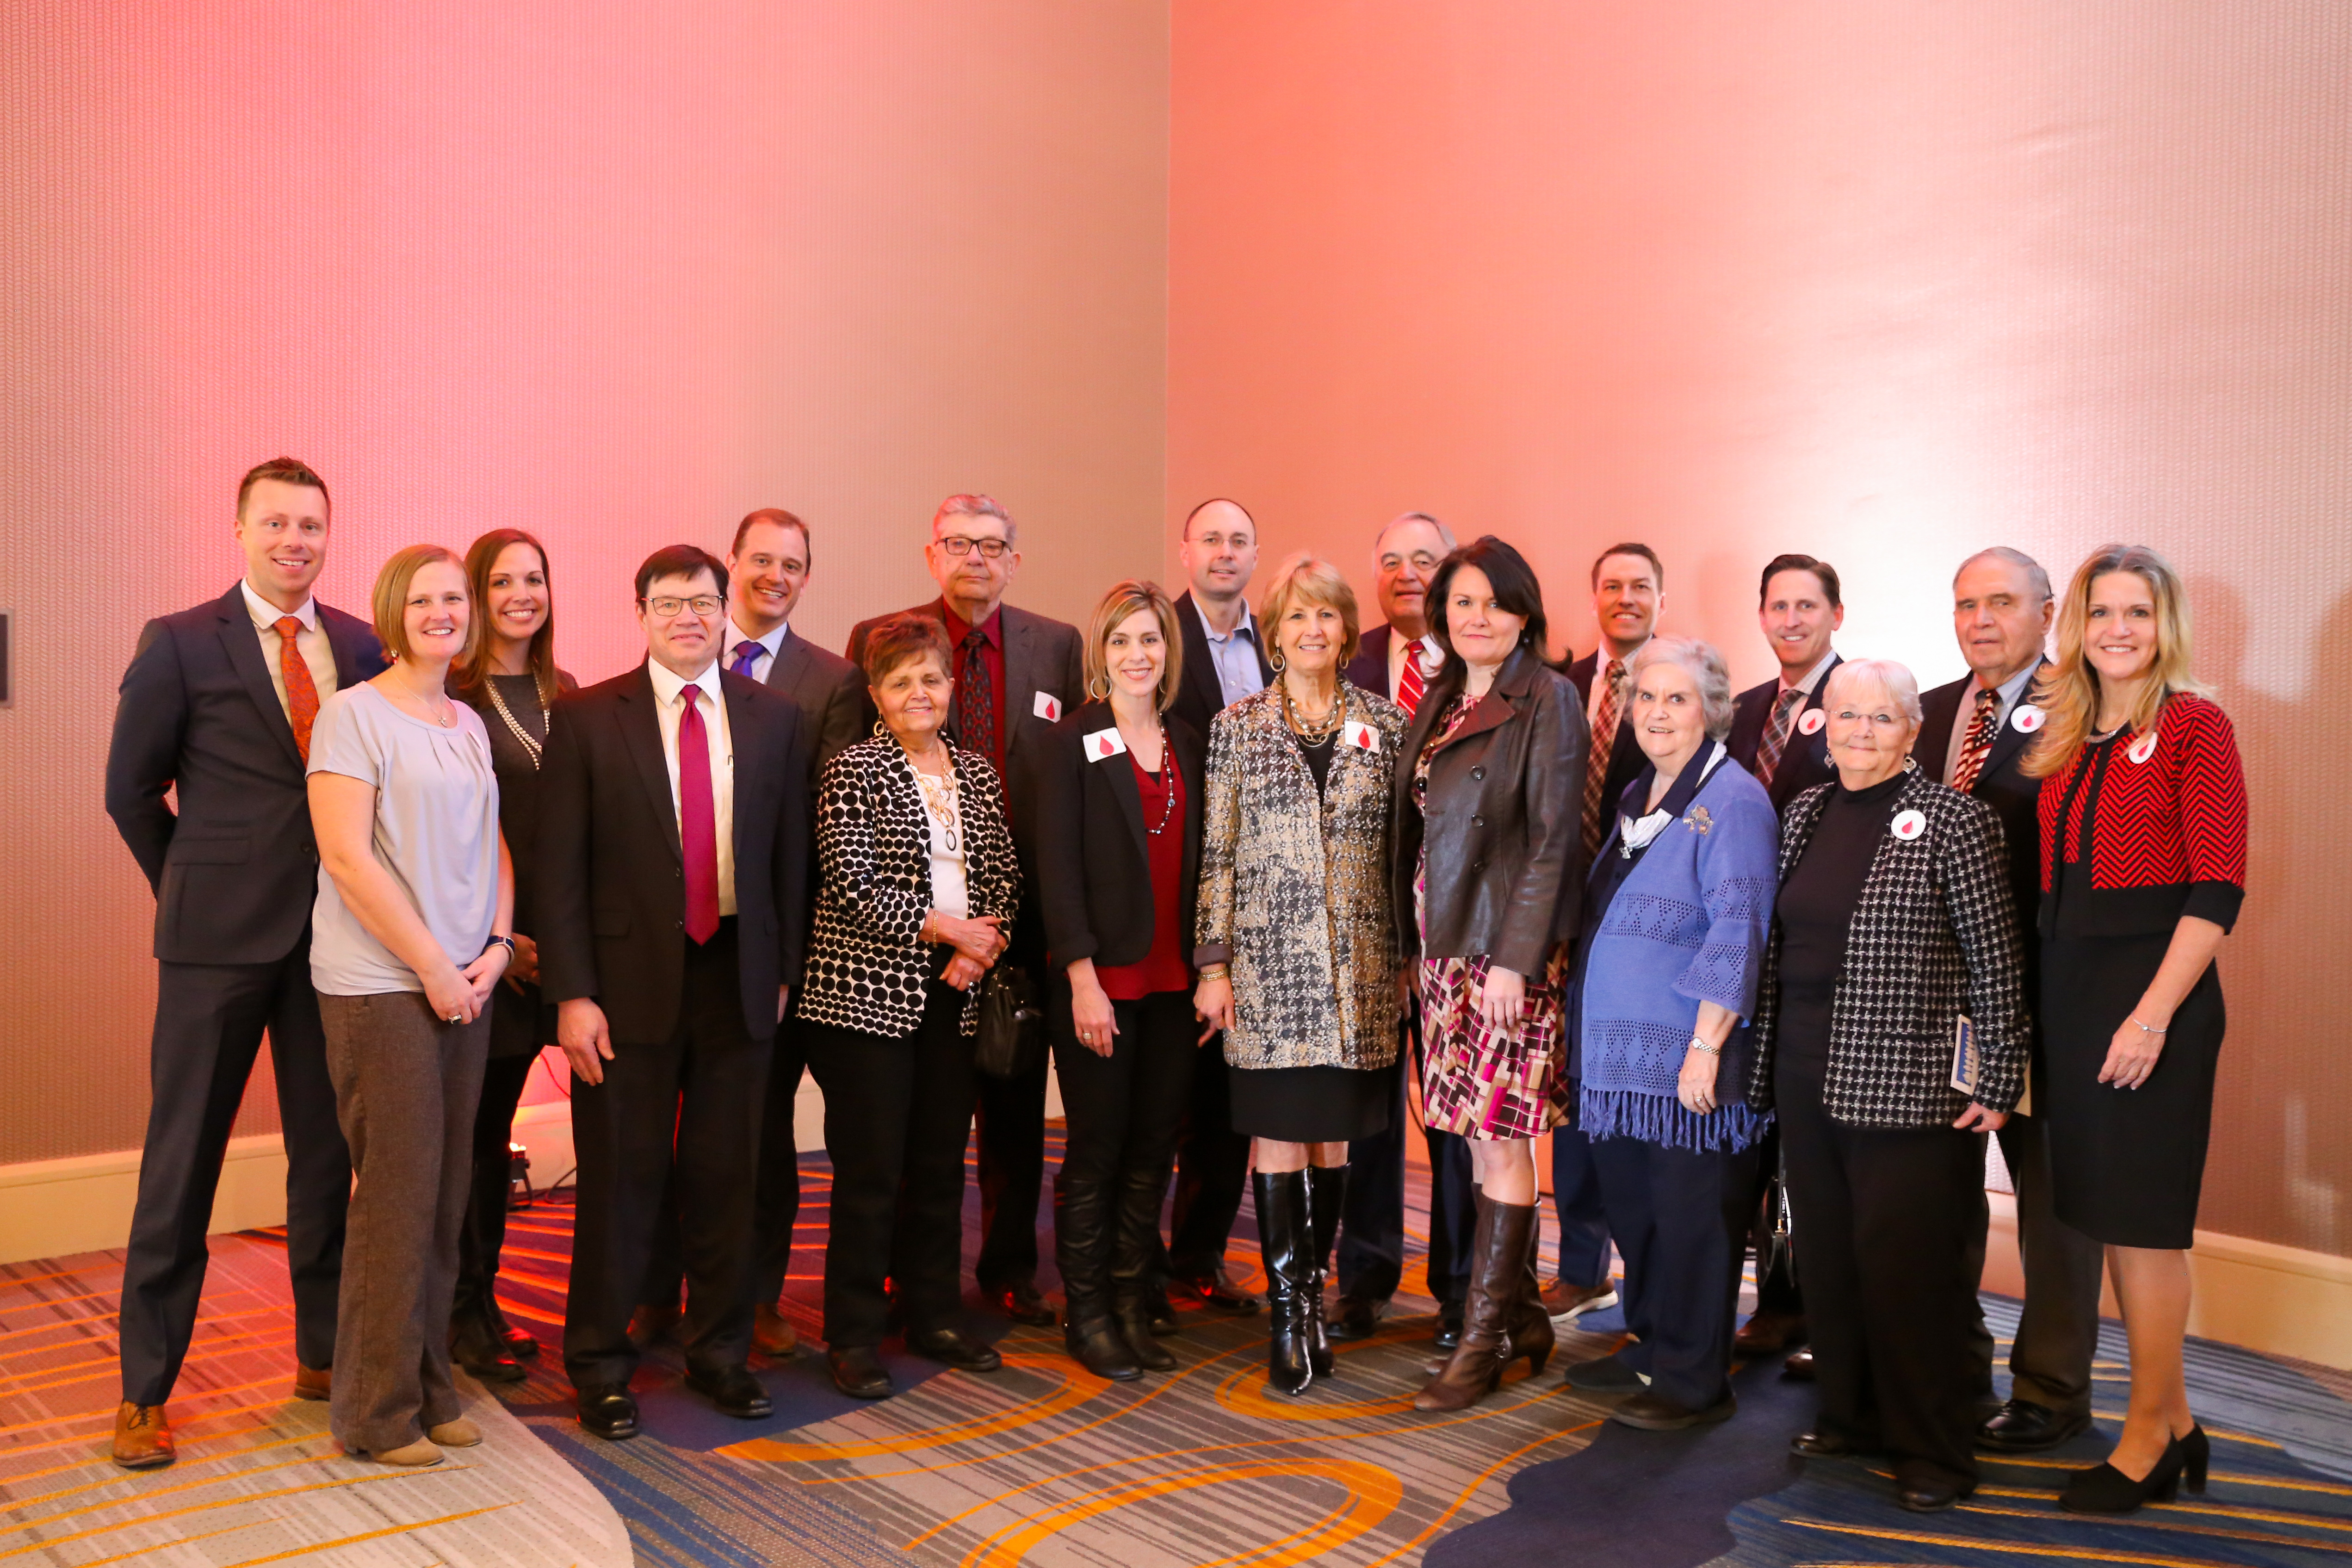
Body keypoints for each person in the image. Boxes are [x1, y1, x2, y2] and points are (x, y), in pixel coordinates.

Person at [103, 458, 386, 1469]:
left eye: (311, 525)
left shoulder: (360, 643)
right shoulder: (179, 642)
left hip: (336, 946)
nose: (295, 541)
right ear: (239, 531)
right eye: (276, 524)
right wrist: (189, 887)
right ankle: (144, 1392)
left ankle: (320, 1357)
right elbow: (130, 791)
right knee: (182, 1165)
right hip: (212, 947)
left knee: (325, 1160)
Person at [538, 545, 811, 1440]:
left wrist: (782, 970)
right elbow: (559, 872)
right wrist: (573, 993)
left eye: (703, 600)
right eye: (669, 602)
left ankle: (720, 1352)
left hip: (738, 978)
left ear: (725, 608)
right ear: (641, 612)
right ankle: (601, 1365)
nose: (688, 616)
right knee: (622, 1179)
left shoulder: (775, 718)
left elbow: (789, 862)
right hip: (623, 991)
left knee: (730, 1177)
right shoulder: (583, 717)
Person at [1745, 659, 2028, 1514]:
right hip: (1805, 1073)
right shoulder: (1803, 812)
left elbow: (1995, 961)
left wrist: (1999, 1072)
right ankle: (1853, 1414)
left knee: (1910, 1272)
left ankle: (1933, 1448)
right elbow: (1778, 950)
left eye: (1879, 718)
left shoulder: (1955, 820)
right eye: (1844, 717)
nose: (1859, 732)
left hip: (1908, 1087)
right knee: (1827, 1262)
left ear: (1912, 730)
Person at [2025, 545, 2245, 1513]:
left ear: (2166, 626)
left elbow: (2217, 886)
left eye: (2138, 613)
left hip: (2152, 997)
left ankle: (2147, 1436)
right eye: (2102, 611)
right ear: (2077, 623)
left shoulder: (2196, 726)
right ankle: (2180, 1421)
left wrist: (2151, 1016)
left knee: (2146, 1232)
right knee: (2110, 1223)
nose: (2119, 629)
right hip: (2072, 995)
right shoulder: (2068, 727)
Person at [844, 496, 1083, 1329]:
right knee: (921, 1122)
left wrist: (1000, 925)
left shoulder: (1056, 644)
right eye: (959, 543)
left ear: (1015, 559)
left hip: (1018, 915)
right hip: (911, 929)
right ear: (930, 553)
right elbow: (855, 772)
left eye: (994, 545)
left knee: (1015, 1101)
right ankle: (901, 1275)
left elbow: (1071, 773)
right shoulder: (885, 638)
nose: (977, 558)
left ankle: (1011, 1266)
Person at [634, 508, 864, 1359]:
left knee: (757, 1140)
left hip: (770, 946)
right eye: (761, 560)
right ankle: (657, 1292)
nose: (776, 575)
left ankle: (755, 1296)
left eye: (792, 564)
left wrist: (789, 954)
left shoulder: (831, 680)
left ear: (807, 577)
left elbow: (811, 822)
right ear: (731, 568)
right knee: (659, 1129)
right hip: (670, 947)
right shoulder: (669, 661)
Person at [306, 545, 514, 1465]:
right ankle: (373, 1411)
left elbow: (496, 847)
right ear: (394, 614)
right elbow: (348, 859)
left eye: (454, 598)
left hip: (464, 985)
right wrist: (431, 963)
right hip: (381, 986)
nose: (443, 611)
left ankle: (431, 1388)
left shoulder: (465, 722)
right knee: (395, 1198)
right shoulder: (352, 717)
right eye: (423, 599)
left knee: (445, 1197)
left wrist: (497, 950)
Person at [1195, 553, 1408, 1395]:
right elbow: (1218, 851)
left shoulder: (1386, 725)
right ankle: (1290, 1317)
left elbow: (1400, 857)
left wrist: (1404, 959)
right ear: (1274, 634)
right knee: (1279, 1132)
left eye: (1326, 617)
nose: (1312, 631)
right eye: (1295, 617)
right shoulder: (1237, 725)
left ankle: (1315, 1298)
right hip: (1266, 964)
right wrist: (1212, 963)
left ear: (1347, 632)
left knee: (1334, 1133)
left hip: (1359, 965)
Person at [798, 614, 1023, 1399]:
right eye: (901, 682)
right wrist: (945, 928)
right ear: (876, 695)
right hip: (867, 998)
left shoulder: (979, 772)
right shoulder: (851, 769)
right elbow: (852, 883)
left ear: (951, 687)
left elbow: (1004, 878)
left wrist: (977, 945)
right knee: (869, 1172)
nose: (918, 693)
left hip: (956, 992)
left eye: (931, 678)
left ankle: (931, 1313)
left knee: (937, 1166)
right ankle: (853, 1333)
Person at [1919, 549, 2106, 1456]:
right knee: (1940, 1199)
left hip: (2045, 998)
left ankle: (2052, 1391)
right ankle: (1953, 1366)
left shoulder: (2083, 709)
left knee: (2052, 1207)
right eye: (1965, 604)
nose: (1980, 620)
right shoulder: (1923, 717)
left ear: (2043, 612)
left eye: (2001, 602)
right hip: (1933, 1008)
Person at [1565, 639, 1778, 1431]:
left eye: (1677, 698)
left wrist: (1707, 1044)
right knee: (1640, 1214)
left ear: (1713, 707)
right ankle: (1653, 1341)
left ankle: (1694, 1379)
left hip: (1689, 1062)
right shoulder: (1637, 795)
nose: (1657, 713)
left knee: (1694, 1222)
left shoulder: (1736, 800)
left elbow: (1740, 925)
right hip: (1622, 1063)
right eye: (1646, 698)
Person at [1396, 539, 1585, 1412]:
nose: (1476, 617)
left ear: (1524, 614)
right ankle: (1524, 1322)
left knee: (1502, 1134)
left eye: (1493, 603)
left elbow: (1552, 839)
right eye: (1461, 602)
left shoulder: (1548, 696)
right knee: (1472, 1134)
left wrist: (1515, 960)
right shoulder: (1440, 697)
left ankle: (1482, 1342)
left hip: (1500, 957)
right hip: (1442, 952)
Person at [1015, 582, 1207, 1379]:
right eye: (1123, 640)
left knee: (1154, 1145)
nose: (1139, 655)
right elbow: (1055, 872)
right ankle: (1087, 1313)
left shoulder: (1192, 741)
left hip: (1175, 981)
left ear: (1169, 651)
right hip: (1101, 980)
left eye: (1152, 640)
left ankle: (1133, 1301)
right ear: (1101, 652)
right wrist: (1082, 978)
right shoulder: (1072, 741)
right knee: (1096, 1147)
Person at [1333, 513, 1480, 1348]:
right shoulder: (1344, 659)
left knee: (1456, 1113)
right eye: (1389, 561)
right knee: (1370, 1112)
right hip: (1364, 920)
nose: (1405, 574)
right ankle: (1364, 1276)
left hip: (1455, 926)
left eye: (1423, 560)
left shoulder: (1479, 669)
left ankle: (1460, 1287)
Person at [446, 530, 578, 1385]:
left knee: (496, 1140)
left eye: (535, 578)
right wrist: (503, 938)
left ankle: (482, 1297)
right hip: (478, 950)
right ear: (476, 594)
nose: (521, 594)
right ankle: (463, 1306)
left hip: (547, 955)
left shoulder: (565, 692)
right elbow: (442, 838)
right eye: (502, 581)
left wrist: (552, 944)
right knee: (476, 1140)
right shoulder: (450, 693)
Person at [1724, 551, 1846, 1366]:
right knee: (1756, 1131)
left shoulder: (1858, 702)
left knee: (1812, 1142)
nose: (1792, 619)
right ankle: (1772, 1296)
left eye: (1808, 605)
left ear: (1837, 613)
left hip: (1820, 952)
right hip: (1746, 946)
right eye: (1779, 605)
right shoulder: (1740, 711)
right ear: (1761, 615)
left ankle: (1813, 1306)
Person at [1545, 542, 1666, 1328]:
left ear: (1663, 596)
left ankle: (1650, 1275)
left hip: (1644, 927)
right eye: (1612, 585)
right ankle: (1580, 1267)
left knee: (1636, 1101)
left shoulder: (1677, 686)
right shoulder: (1560, 686)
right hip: (1561, 918)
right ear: (1593, 595)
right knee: (1570, 1095)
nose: (1626, 597)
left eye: (1641, 586)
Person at [1160, 498, 1272, 1318]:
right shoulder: (1154, 636)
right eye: (1212, 539)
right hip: (1172, 881)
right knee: (1167, 1088)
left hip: (1258, 892)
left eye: (1239, 541)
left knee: (1228, 1094)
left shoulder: (1281, 640)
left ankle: (1199, 1253)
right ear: (1186, 551)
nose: (1225, 553)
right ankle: (1134, 1262)